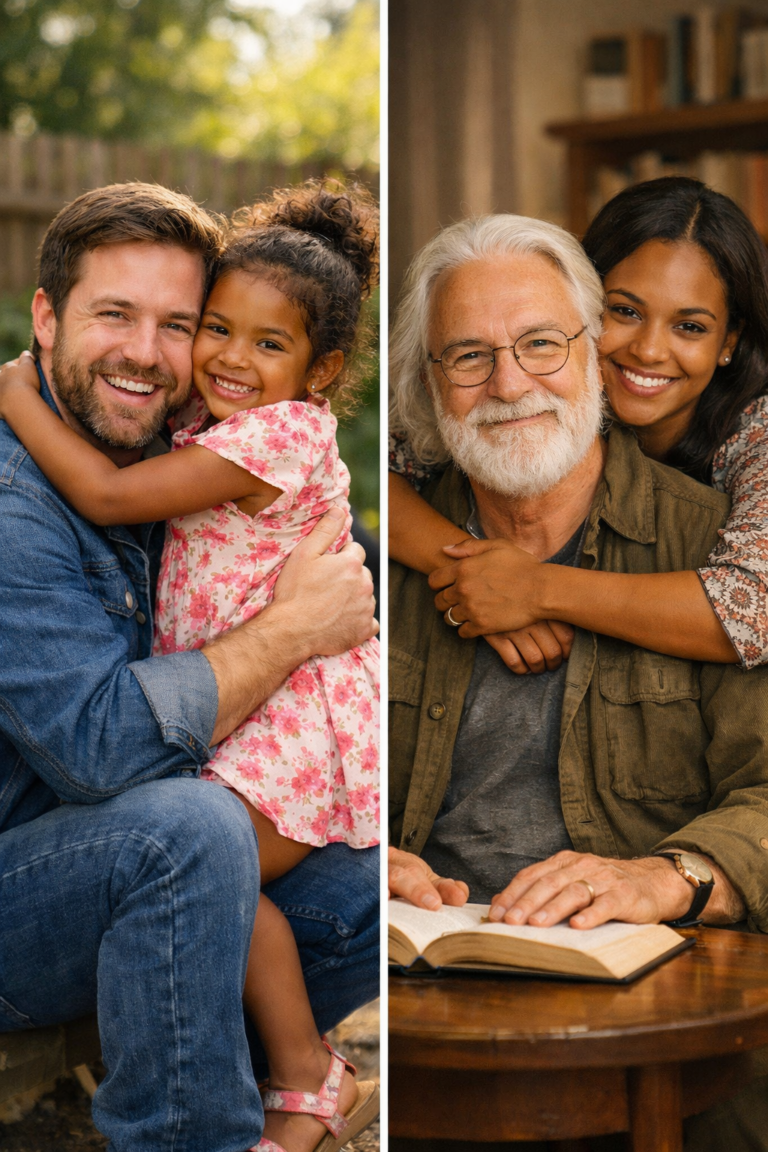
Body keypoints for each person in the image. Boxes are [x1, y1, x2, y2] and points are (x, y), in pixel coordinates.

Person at [0, 180, 380, 1152]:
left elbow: (329, 551)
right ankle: (206, 1126)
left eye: (179, 323)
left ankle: (296, 1079)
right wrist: (295, 629)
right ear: (44, 320)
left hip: (138, 828)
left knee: (359, 889)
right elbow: (93, 750)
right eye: (113, 315)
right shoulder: (14, 498)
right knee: (196, 834)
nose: (150, 352)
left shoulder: (191, 438)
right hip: (30, 875)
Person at [387, 210, 768, 934]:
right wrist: (361, 857)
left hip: (651, 993)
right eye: (468, 356)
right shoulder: (383, 538)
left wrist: (672, 876)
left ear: (593, 352)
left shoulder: (723, 532)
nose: (508, 383)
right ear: (431, 384)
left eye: (540, 343)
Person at [389, 177, 768, 675]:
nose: (649, 350)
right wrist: (468, 570)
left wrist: (535, 590)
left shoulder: (755, 432)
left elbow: (755, 611)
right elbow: (383, 470)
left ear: (728, 342)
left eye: (689, 327)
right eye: (625, 311)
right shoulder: (527, 395)